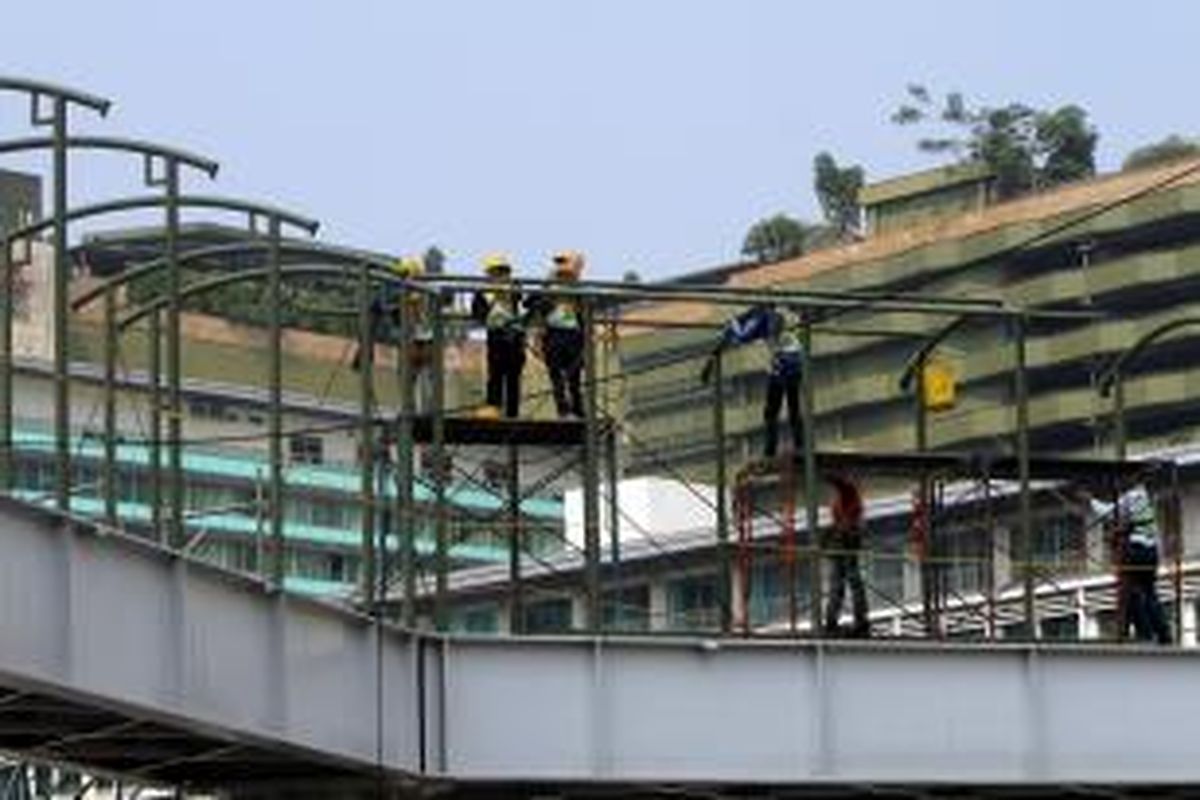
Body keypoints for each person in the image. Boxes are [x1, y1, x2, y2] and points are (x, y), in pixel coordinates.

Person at [702, 302, 804, 458]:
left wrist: (734, 328)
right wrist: (711, 361)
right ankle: (798, 444)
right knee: (791, 406)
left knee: (773, 411)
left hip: (783, 363)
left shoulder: (763, 317)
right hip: (794, 362)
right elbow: (728, 341)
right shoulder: (777, 314)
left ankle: (772, 451)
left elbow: (743, 336)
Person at [1108, 485, 1172, 644]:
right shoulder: (1145, 498)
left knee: (1132, 594)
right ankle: (1161, 633)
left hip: (1138, 553)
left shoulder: (1131, 497)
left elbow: (1108, 511)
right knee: (1149, 593)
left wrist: (1089, 501)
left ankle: (1146, 633)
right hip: (1151, 553)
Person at [528, 251, 585, 418]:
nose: (561, 267)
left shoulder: (578, 290)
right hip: (553, 335)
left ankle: (577, 409)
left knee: (574, 376)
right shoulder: (548, 288)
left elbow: (585, 312)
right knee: (557, 376)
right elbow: (530, 303)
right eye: (558, 263)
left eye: (564, 262)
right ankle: (564, 410)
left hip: (573, 336)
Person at [471, 253, 526, 419]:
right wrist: (493, 299)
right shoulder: (483, 293)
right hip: (496, 336)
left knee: (513, 379)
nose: (500, 276)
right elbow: (478, 313)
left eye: (503, 271)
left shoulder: (515, 289)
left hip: (515, 337)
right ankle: (494, 409)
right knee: (495, 375)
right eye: (496, 272)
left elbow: (523, 304)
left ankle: (512, 414)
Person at [824, 472, 869, 638]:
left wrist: (830, 475)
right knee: (841, 582)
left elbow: (843, 485)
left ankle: (858, 619)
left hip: (847, 542)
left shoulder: (849, 493)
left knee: (848, 581)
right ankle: (834, 621)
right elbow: (838, 522)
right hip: (842, 542)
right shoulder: (844, 497)